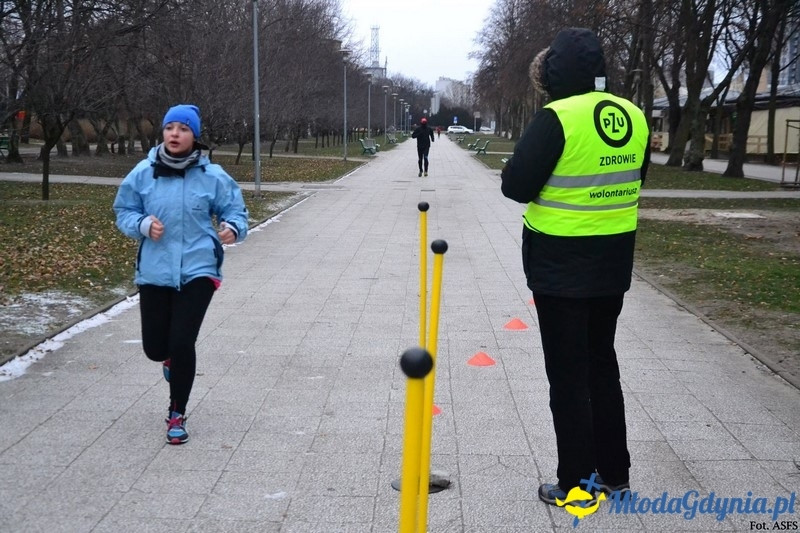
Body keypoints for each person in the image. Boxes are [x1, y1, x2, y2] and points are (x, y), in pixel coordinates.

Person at [500, 28, 650, 504]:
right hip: (613, 264)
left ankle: (576, 484)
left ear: (553, 73)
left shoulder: (557, 117)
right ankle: (615, 474)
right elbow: (636, 177)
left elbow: (517, 186)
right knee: (602, 366)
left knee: (568, 378)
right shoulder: (632, 115)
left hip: (561, 267)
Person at [113, 104, 249, 445]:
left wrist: (233, 227)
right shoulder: (143, 173)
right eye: (170, 127)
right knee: (155, 347)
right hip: (155, 270)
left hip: (199, 268)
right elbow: (124, 211)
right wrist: (142, 224)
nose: (175, 134)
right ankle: (168, 358)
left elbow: (236, 210)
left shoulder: (213, 176)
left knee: (182, 340)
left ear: (194, 136)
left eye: (183, 128)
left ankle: (177, 413)